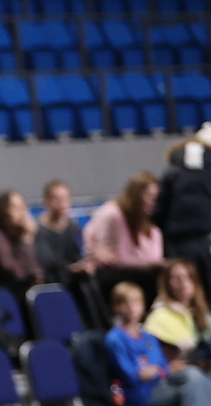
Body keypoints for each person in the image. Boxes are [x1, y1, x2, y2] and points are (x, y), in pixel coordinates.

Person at [105, 283, 211, 406]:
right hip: (141, 394)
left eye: (136, 302)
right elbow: (132, 376)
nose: (131, 307)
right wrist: (159, 370)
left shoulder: (148, 337)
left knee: (197, 376)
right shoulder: (115, 338)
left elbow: (160, 366)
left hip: (160, 385)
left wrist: (162, 370)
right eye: (125, 303)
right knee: (193, 380)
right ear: (115, 307)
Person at [83, 172, 165, 311]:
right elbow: (115, 258)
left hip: (136, 269)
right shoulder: (113, 214)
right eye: (149, 196)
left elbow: (154, 254)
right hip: (113, 273)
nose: (153, 201)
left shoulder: (147, 220)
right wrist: (150, 263)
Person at [156, 126, 211, 292]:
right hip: (206, 241)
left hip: (177, 244)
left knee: (182, 290)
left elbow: (159, 212)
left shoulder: (172, 171)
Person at [145, 259, 211, 357]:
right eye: (176, 278)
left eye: (188, 276)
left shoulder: (203, 314)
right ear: (167, 284)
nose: (183, 282)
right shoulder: (159, 315)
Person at [33, 180, 89, 287]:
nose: (61, 203)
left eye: (65, 198)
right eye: (56, 199)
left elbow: (80, 253)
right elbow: (48, 262)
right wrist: (70, 268)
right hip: (52, 280)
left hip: (76, 280)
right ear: (46, 201)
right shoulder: (38, 229)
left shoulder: (73, 227)